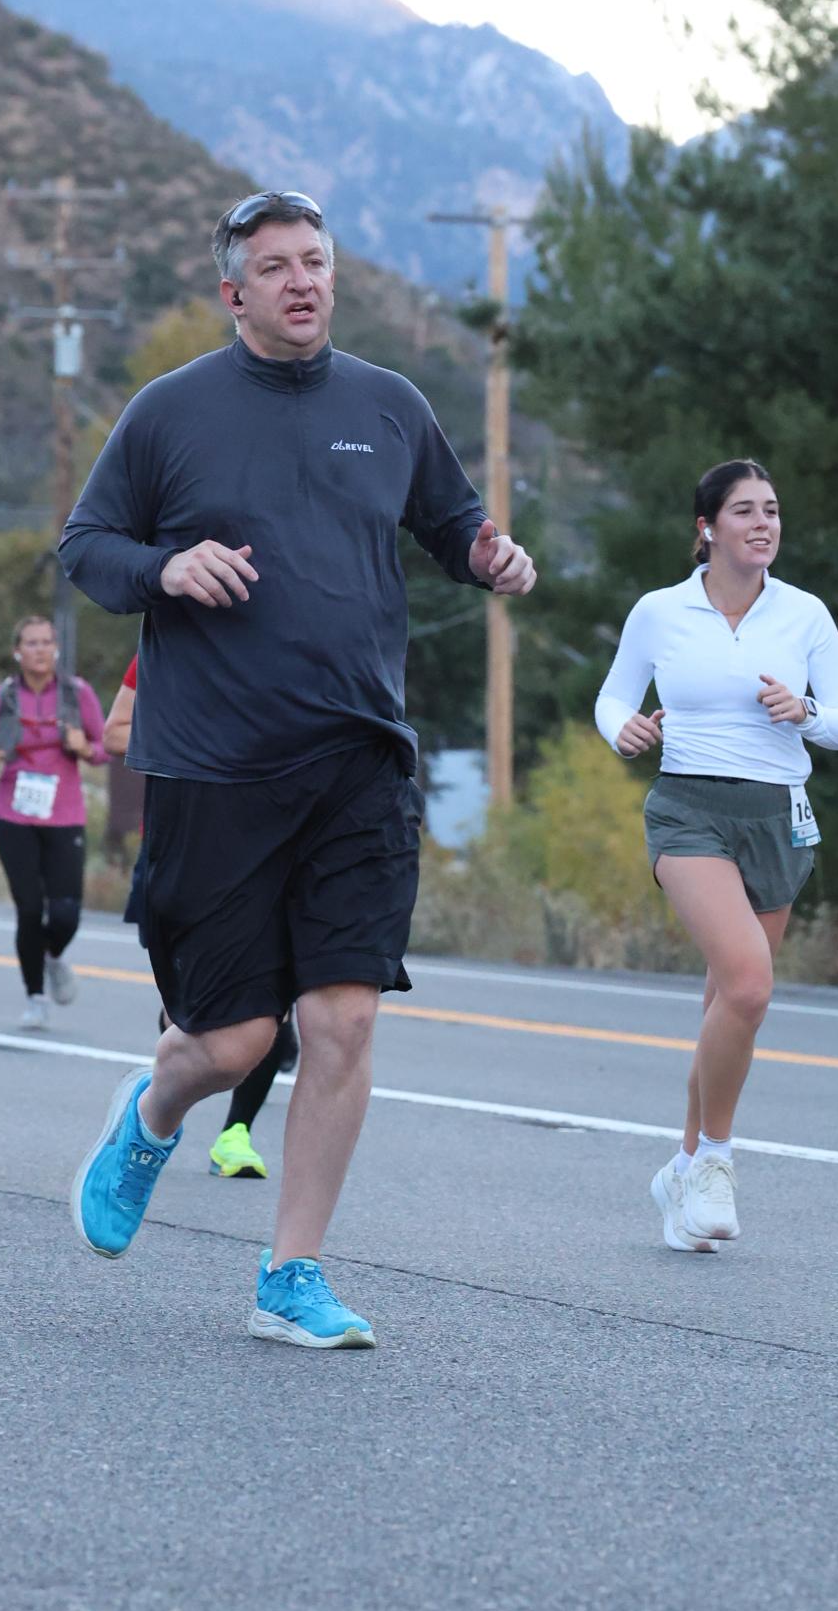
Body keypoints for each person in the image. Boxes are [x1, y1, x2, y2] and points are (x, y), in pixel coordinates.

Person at [60, 189, 536, 1347]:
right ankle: (152, 1114)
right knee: (233, 1043)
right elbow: (86, 548)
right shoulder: (171, 412)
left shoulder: (388, 405)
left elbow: (452, 524)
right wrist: (167, 570)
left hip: (358, 760)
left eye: (314, 261)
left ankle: (292, 1273)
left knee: (342, 1020)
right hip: (215, 768)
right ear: (234, 293)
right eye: (273, 267)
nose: (301, 281)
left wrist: (488, 556)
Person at [594, 458, 838, 1253]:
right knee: (749, 984)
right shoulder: (660, 611)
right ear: (706, 528)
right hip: (689, 811)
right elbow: (613, 695)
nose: (763, 523)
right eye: (745, 510)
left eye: (772, 510)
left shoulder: (805, 614)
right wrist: (623, 729)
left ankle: (682, 1169)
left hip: (777, 817)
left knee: (729, 1005)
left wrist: (805, 710)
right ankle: (715, 1160)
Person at [106, 649, 292, 1180]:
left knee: (274, 1006)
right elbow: (115, 733)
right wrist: (198, 740)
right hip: (183, 848)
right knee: (185, 1012)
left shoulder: (292, 646)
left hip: (266, 847)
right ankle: (157, 1110)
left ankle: (236, 1135)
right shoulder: (168, 644)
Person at [0, 615, 106, 1032]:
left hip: (64, 814)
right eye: (31, 643)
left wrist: (86, 748)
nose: (40, 650)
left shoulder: (77, 694)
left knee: (66, 913)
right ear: (17, 651)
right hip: (13, 814)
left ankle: (52, 956)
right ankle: (35, 998)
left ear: (56, 649)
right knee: (29, 909)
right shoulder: (1, 698)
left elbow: (106, 747)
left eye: (47, 642)